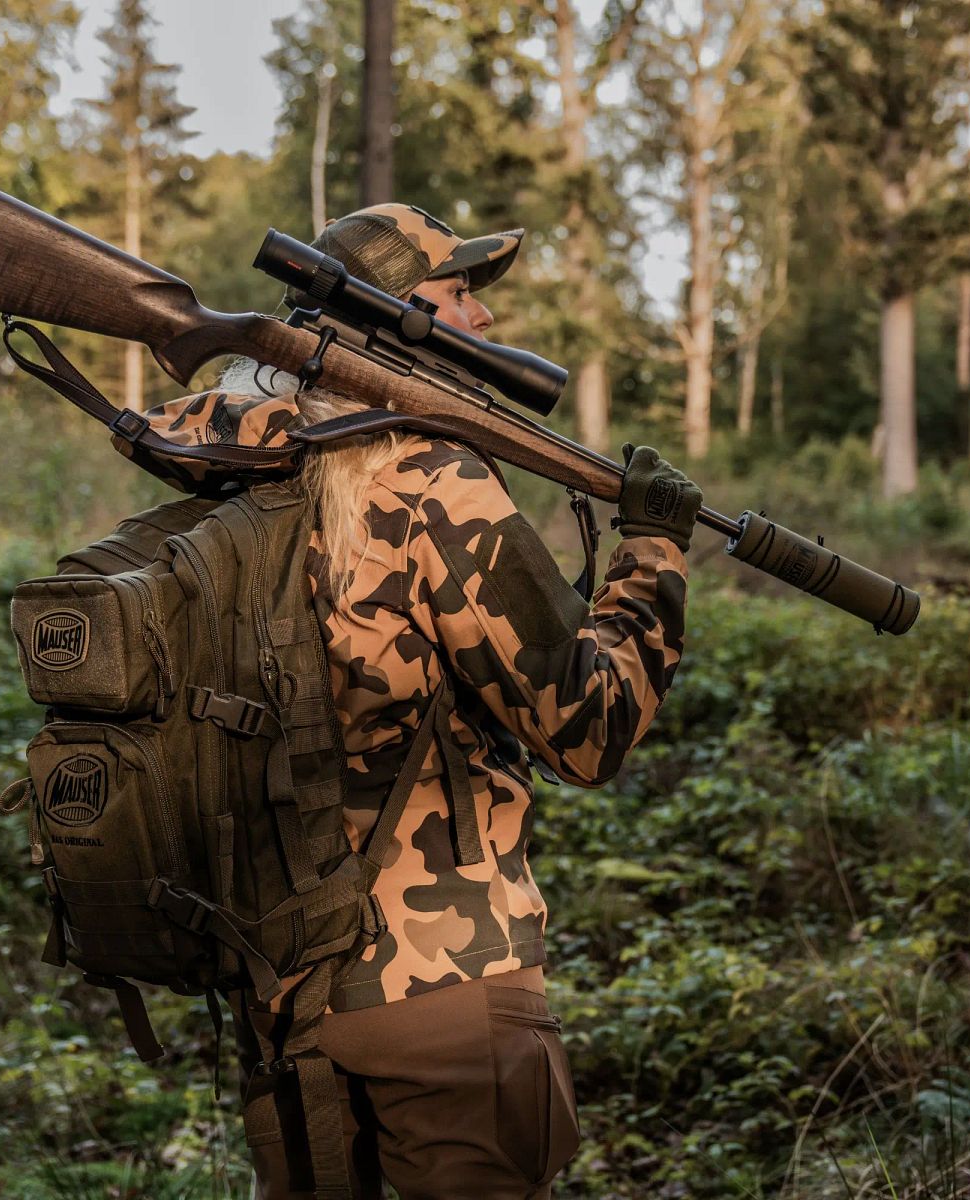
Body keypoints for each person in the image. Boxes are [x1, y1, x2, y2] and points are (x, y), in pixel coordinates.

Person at [122, 202, 700, 1198]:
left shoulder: (227, 468)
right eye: (457, 293)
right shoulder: (429, 480)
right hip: (442, 984)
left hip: (275, 977)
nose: (480, 321)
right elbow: (587, 732)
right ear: (394, 320)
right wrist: (650, 555)